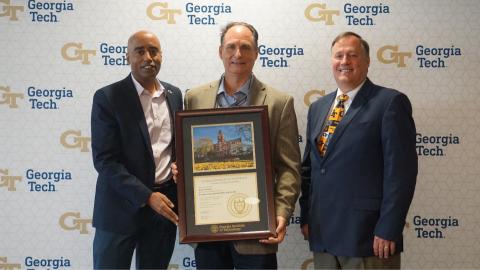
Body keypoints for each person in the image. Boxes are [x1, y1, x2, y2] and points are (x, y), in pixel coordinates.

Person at [180, 21, 301, 269]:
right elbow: (187, 159)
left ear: (257, 53)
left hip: (258, 233)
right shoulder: (194, 97)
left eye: (245, 47)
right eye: (231, 47)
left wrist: (281, 214)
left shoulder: (280, 102)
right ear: (220, 52)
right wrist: (179, 169)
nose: (238, 54)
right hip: (207, 231)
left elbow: (289, 168)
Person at [299, 31, 417, 269]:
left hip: (369, 237)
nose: (344, 61)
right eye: (339, 55)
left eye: (352, 55)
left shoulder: (390, 103)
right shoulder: (318, 108)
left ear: (367, 61)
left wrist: (389, 228)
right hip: (323, 235)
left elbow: (401, 174)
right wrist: (307, 217)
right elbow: (310, 168)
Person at [90, 30, 182, 269]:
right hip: (119, 209)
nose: (148, 57)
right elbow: (105, 161)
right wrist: (146, 196)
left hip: (165, 207)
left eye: (153, 51)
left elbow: (175, 148)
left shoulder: (174, 95)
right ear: (127, 57)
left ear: (161, 55)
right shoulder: (108, 97)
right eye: (140, 51)